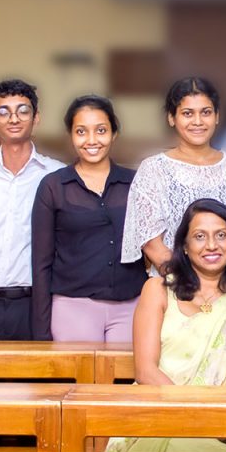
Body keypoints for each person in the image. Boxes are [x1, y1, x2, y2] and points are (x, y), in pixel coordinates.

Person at [104, 198, 226, 452]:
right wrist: (194, 416)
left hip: (221, 429)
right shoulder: (157, 290)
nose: (211, 245)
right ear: (185, 247)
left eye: (221, 235)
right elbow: (145, 371)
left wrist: (213, 422)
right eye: (199, 236)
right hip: (157, 414)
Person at [31, 95, 147, 341]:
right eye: (81, 131)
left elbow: (154, 245)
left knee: (127, 368)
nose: (91, 140)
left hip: (131, 305)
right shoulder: (53, 186)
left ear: (114, 133)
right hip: (72, 306)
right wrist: (40, 331)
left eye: (101, 130)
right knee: (77, 369)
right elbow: (41, 262)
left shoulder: (137, 183)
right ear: (71, 136)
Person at [121, 77, 226, 275]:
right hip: (173, 287)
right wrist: (195, 285)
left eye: (206, 112)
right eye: (188, 113)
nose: (198, 121)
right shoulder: (153, 170)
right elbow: (152, 244)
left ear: (217, 116)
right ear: (171, 118)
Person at [0, 79, 63, 340]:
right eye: (3, 112)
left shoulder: (56, 176)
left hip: (34, 302)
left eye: (23, 111)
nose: (13, 118)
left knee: (34, 368)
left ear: (36, 118)